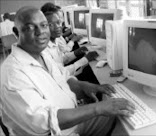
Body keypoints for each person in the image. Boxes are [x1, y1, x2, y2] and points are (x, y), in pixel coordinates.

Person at [0, 6, 135, 136]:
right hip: (59, 131)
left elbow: (62, 77)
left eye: (44, 25)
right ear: (16, 32)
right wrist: (97, 108)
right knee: (124, 126)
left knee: (121, 116)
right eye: (30, 27)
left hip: (70, 122)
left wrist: (85, 86)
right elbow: (45, 123)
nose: (40, 32)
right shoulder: (13, 74)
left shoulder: (41, 54)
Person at [43, 11, 98, 76]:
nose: (58, 26)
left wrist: (76, 53)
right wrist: (85, 59)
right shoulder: (44, 50)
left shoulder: (54, 41)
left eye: (58, 22)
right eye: (51, 25)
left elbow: (60, 59)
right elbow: (61, 73)